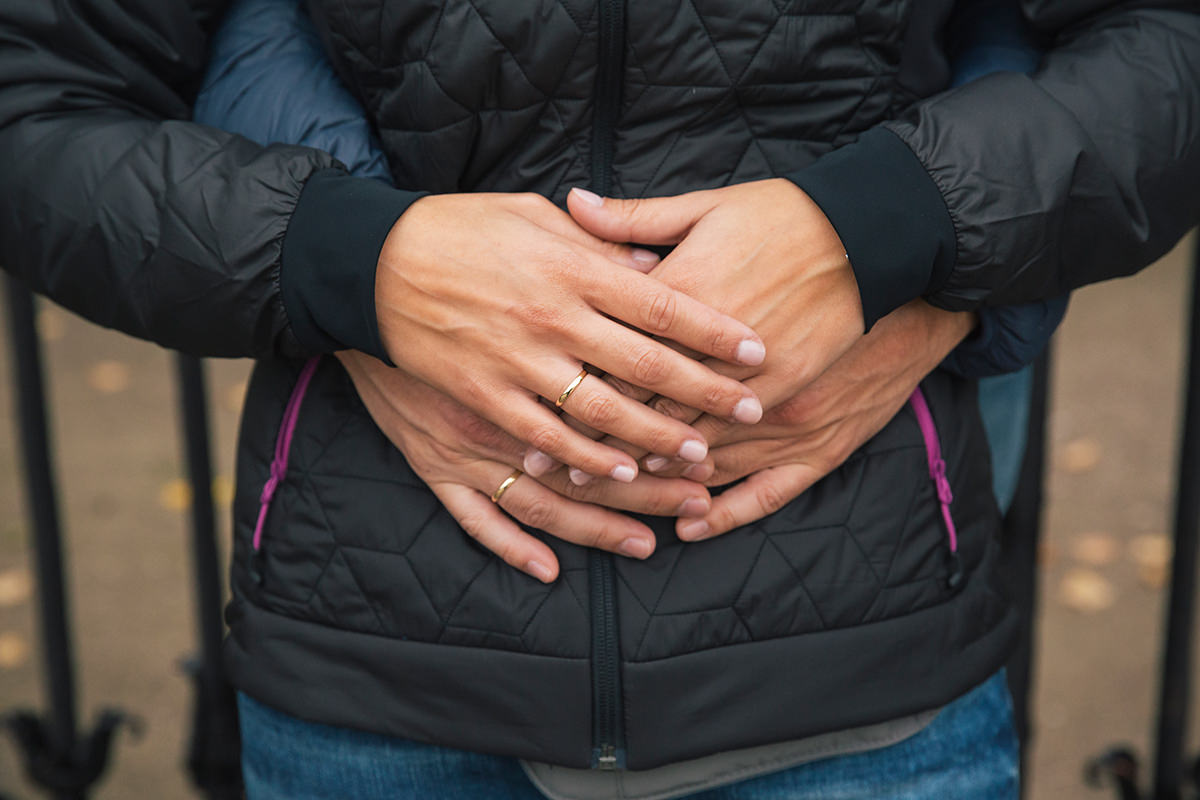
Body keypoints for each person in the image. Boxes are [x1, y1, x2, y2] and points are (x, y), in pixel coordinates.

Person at [0, 1, 1196, 798]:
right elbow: (41, 93)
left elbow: (1153, 49)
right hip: (380, 682)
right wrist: (351, 260)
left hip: (866, 689)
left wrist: (896, 230)